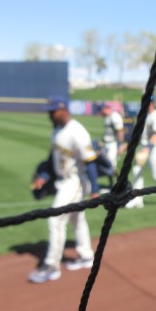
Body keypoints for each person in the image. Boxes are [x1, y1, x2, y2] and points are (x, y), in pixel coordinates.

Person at [28, 95, 100, 284]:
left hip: (75, 181)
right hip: (64, 180)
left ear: (63, 110)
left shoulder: (77, 132)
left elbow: (90, 162)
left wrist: (95, 191)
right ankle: (86, 256)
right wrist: (44, 176)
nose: (49, 115)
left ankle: (51, 266)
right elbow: (52, 159)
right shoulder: (57, 130)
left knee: (55, 220)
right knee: (77, 219)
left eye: (53, 112)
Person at [99, 102, 125, 171]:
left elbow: (120, 131)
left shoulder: (115, 116)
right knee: (105, 163)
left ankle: (116, 176)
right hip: (106, 143)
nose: (101, 112)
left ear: (106, 109)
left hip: (113, 143)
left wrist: (120, 145)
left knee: (111, 164)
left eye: (102, 110)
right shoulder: (107, 117)